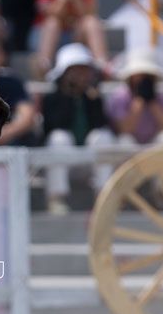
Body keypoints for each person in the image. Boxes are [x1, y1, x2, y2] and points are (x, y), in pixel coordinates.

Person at [40, 43, 115, 215]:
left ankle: (103, 197)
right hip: (63, 162)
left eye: (84, 70)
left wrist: (91, 99)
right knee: (59, 138)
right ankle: (57, 198)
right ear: (64, 72)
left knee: (102, 136)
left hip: (89, 163)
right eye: (76, 70)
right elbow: (54, 126)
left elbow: (100, 124)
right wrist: (69, 95)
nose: (81, 75)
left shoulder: (94, 98)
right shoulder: (51, 99)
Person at [107, 47, 163, 147]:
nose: (144, 79)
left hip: (152, 145)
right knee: (125, 140)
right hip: (129, 148)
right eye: (140, 76)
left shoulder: (159, 98)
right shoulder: (120, 97)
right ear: (131, 77)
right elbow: (125, 130)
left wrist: (152, 103)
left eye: (148, 75)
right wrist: (139, 101)